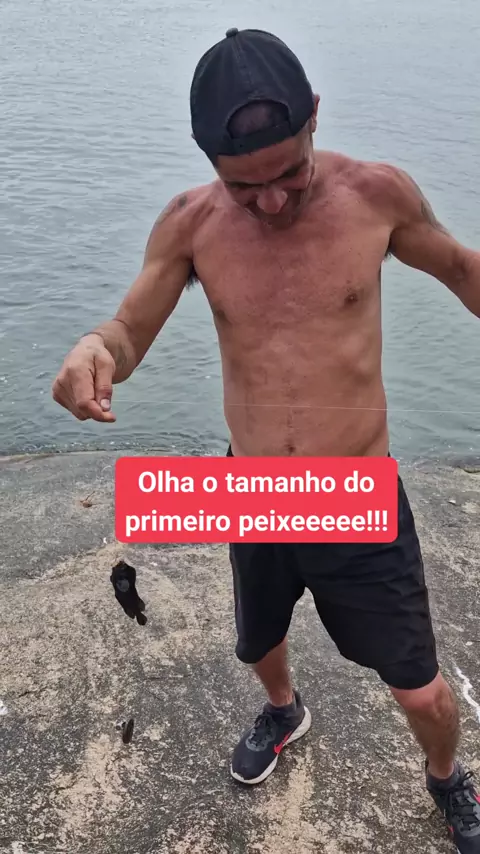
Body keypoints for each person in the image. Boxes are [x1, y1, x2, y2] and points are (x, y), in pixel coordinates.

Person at [52, 28, 480, 852]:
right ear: (207, 160)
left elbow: (463, 270)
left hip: (357, 493)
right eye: (244, 186)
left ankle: (446, 778)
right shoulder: (190, 224)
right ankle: (284, 711)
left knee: (422, 691)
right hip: (252, 488)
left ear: (315, 115)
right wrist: (95, 349)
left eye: (290, 173)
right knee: (260, 637)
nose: (273, 202)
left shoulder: (379, 194)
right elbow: (129, 329)